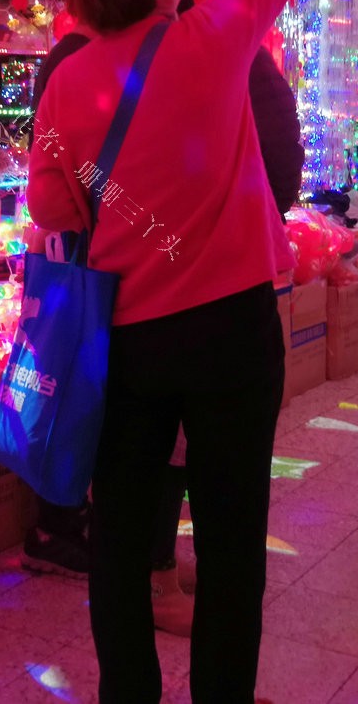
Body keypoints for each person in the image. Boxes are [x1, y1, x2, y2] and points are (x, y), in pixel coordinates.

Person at [27, 0, 344, 704]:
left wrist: (110, 197)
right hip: (235, 337)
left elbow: (54, 209)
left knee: (121, 539)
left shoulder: (66, 86)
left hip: (123, 342)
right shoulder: (216, 37)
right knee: (233, 540)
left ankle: (129, 693)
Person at [24, 35, 305, 644]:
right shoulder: (212, 46)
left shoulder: (74, 64)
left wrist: (104, 216)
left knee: (124, 501)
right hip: (231, 298)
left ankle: (122, 567)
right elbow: (270, 163)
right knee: (228, 524)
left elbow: (49, 201)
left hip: (122, 303)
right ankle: (164, 586)